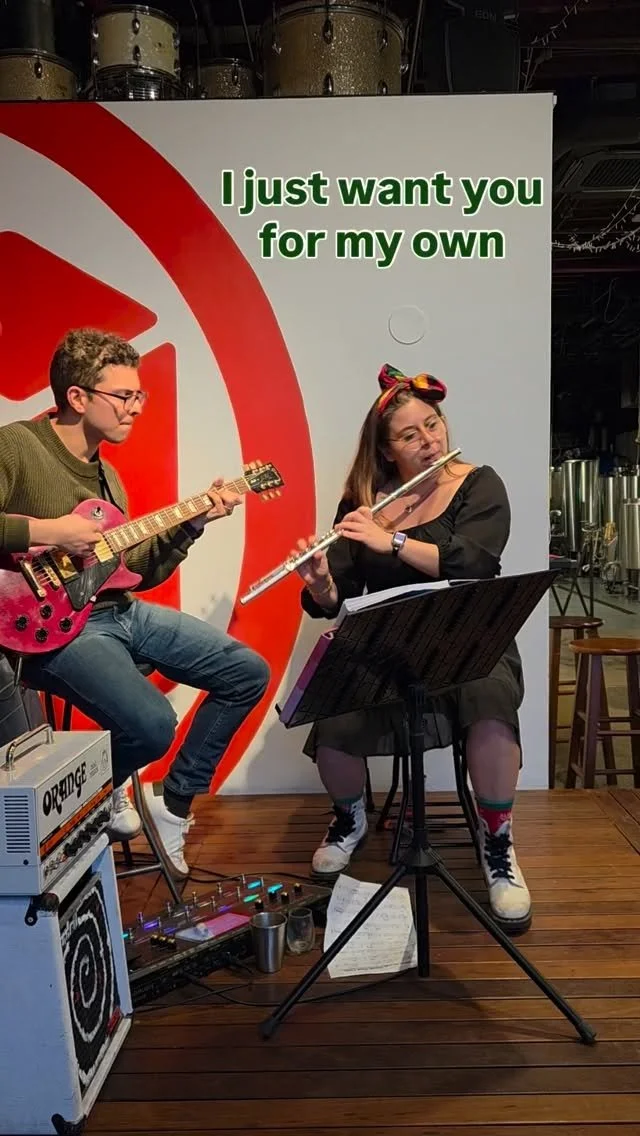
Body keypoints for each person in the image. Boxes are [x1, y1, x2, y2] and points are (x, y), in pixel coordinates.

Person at [0, 328, 270, 878]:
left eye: (139, 395)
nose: (137, 407)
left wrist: (192, 522)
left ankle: (172, 805)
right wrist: (52, 530)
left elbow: (137, 571)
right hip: (50, 629)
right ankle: (80, 809)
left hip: (118, 611)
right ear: (78, 397)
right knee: (151, 726)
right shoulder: (17, 446)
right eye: (124, 396)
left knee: (246, 672)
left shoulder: (110, 479)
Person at [293, 364, 531, 933]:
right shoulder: (363, 502)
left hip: (471, 636)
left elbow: (476, 563)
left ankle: (498, 843)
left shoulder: (478, 483)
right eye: (409, 435)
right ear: (386, 451)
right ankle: (350, 819)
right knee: (331, 704)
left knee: (490, 701)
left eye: (433, 424)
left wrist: (392, 540)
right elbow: (338, 593)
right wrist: (320, 582)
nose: (429, 440)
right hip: (391, 643)